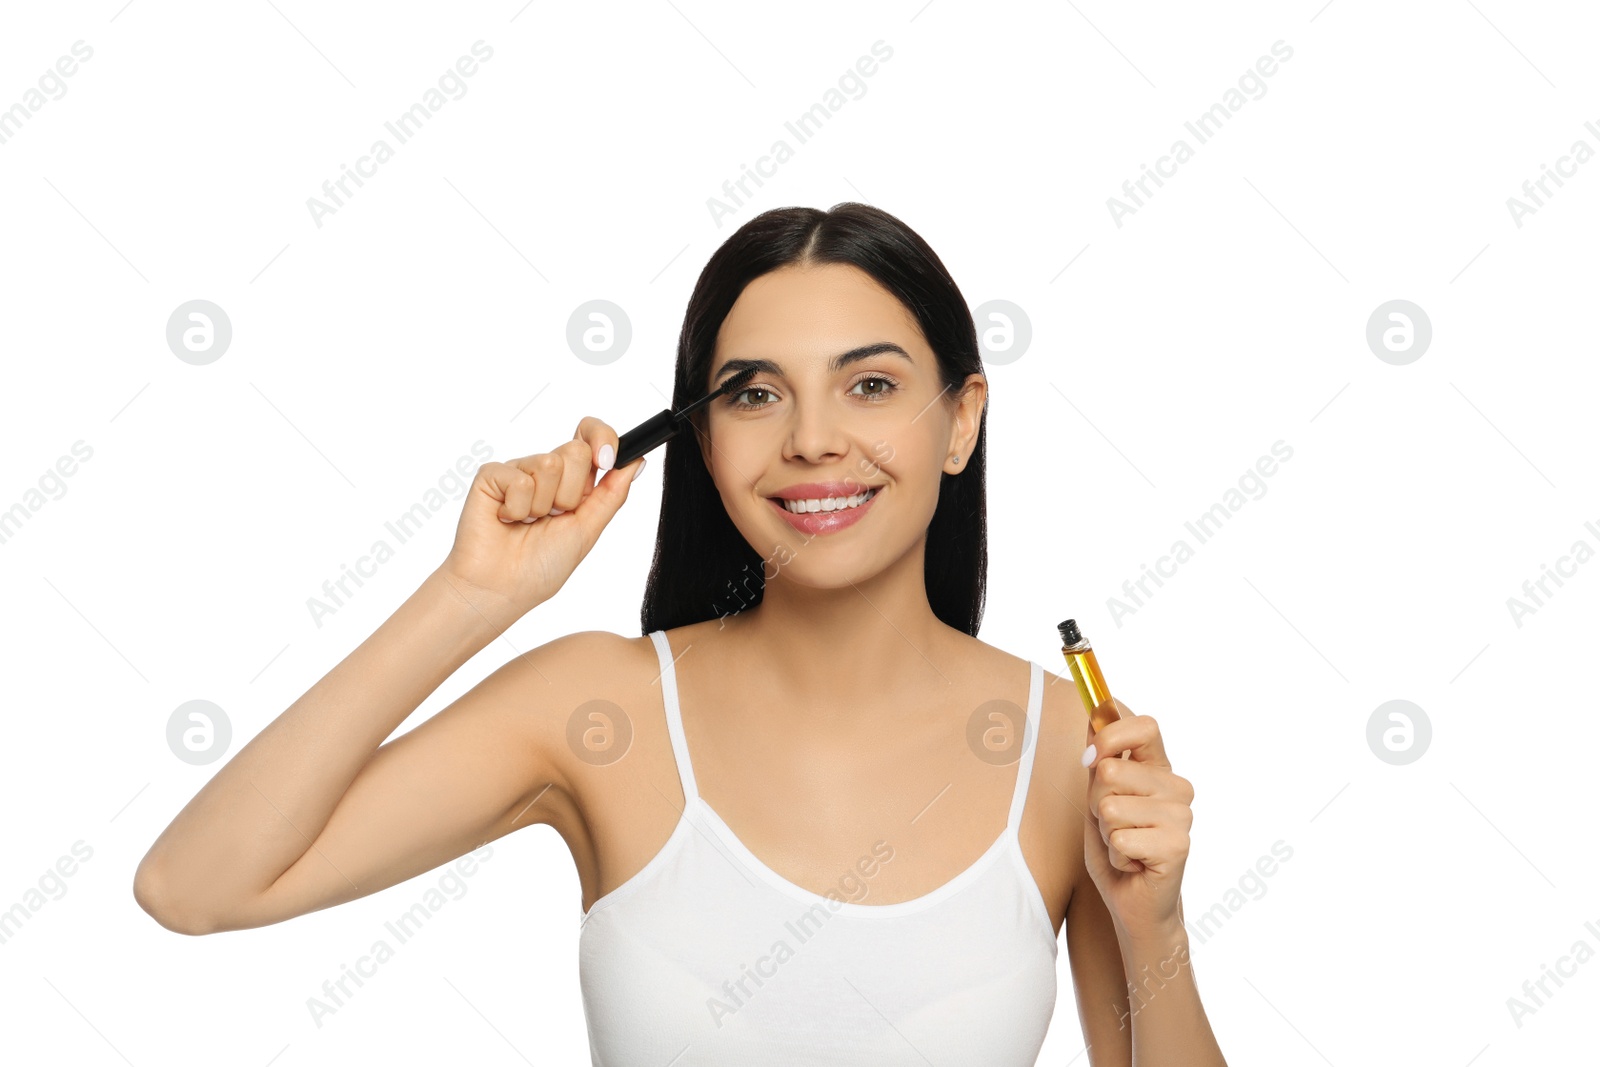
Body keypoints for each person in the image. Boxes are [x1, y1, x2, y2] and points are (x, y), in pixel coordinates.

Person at [133, 202, 1225, 1065]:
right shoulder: (591, 708)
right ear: (702, 440)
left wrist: (1155, 923)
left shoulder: (1065, 749)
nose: (811, 439)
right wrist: (472, 596)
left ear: (961, 419)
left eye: (871, 384)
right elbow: (197, 884)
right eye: (755, 394)